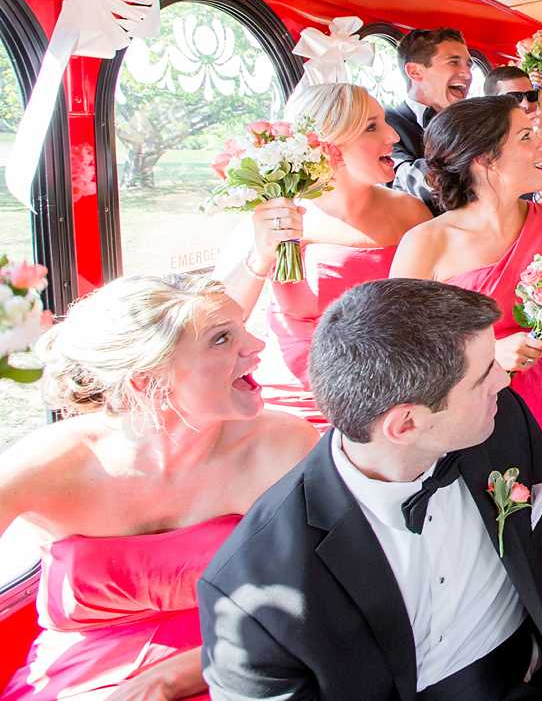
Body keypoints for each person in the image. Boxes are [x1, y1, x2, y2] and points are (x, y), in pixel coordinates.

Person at [199, 278, 542, 700]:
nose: (503, 381)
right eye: (483, 376)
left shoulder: (501, 424)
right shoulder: (253, 595)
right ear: (405, 424)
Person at [0, 275, 316, 701]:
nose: (256, 346)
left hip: (243, 659)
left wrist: (178, 675)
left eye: (243, 328)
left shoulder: (284, 448)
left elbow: (321, 599)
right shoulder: (49, 465)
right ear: (146, 380)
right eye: (222, 339)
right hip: (82, 676)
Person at [390, 95, 542, 503]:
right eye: (525, 136)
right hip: (464, 415)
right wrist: (485, 354)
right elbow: (398, 349)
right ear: (484, 158)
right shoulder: (426, 243)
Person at [217, 82, 431, 423]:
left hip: (391, 393)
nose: (392, 136)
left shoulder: (411, 214)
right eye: (372, 127)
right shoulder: (278, 215)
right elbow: (220, 316)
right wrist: (261, 257)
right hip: (300, 400)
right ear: (327, 143)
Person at [385, 28, 474, 212]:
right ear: (415, 72)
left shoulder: (468, 124)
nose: (467, 74)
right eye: (454, 62)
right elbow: (404, 183)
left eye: (469, 65)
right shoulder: (386, 123)